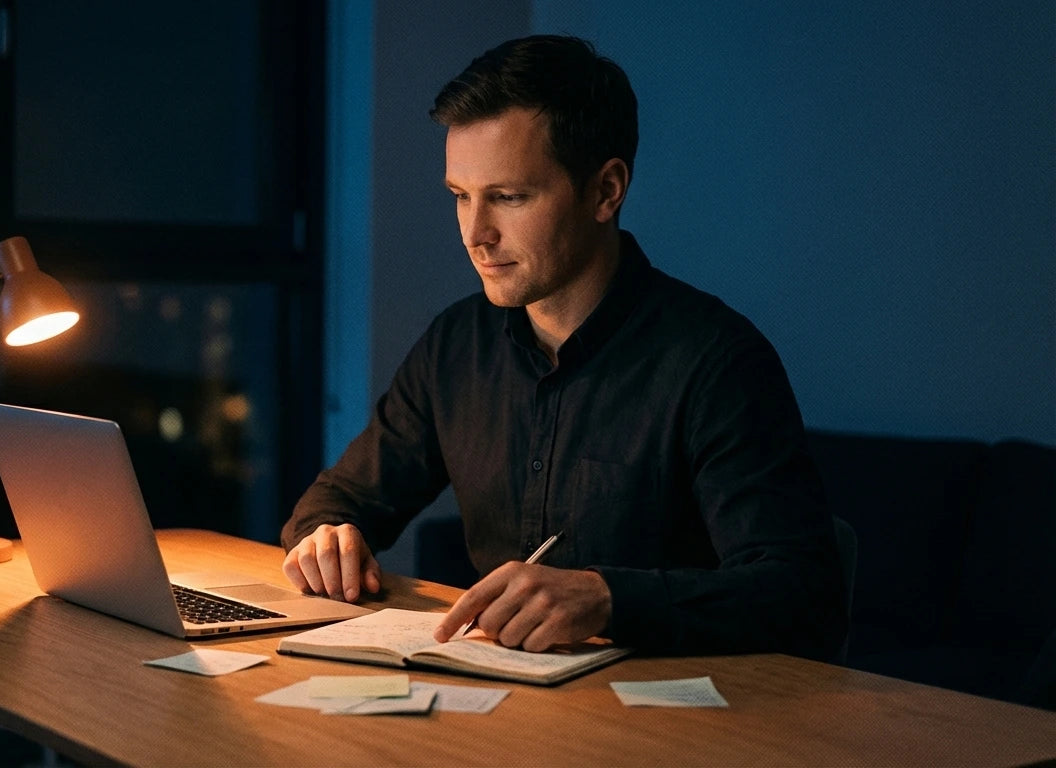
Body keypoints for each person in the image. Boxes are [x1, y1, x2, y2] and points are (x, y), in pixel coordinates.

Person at [280, 35, 847, 661]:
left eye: (509, 197)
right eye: (459, 196)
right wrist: (327, 538)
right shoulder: (455, 346)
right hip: (502, 703)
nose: (475, 234)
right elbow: (337, 503)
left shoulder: (717, 361)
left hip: (673, 722)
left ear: (605, 191)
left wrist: (608, 599)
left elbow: (800, 594)